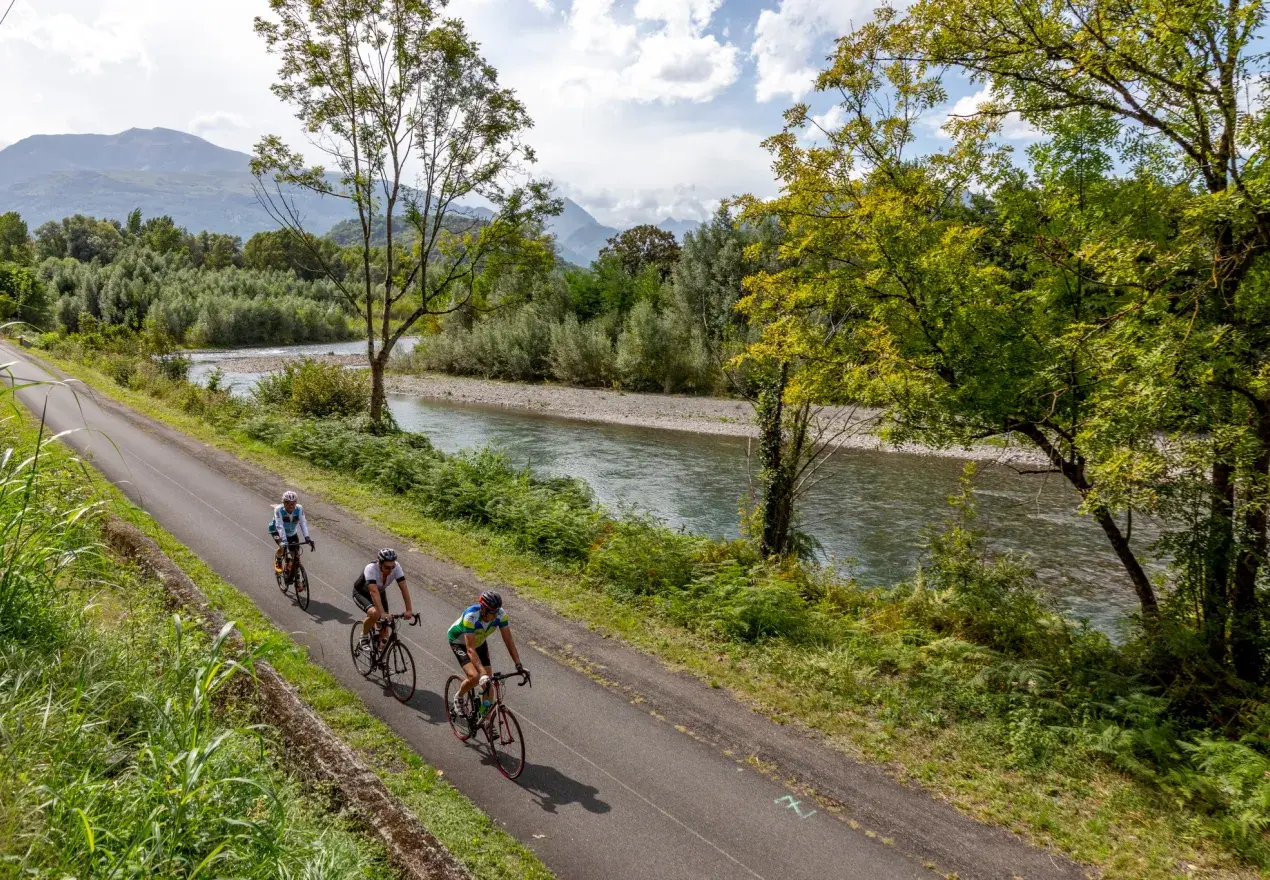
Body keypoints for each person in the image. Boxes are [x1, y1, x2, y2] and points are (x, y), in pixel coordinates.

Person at [447, 590, 526, 721]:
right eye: (492, 613)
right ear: (483, 609)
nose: (495, 616)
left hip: (479, 642)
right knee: (475, 677)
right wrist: (482, 673)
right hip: (459, 642)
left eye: (497, 612)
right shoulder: (471, 616)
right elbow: (470, 649)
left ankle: (484, 718)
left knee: (489, 685)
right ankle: (459, 696)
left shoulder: (501, 615)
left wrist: (518, 664)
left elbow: (509, 640)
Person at [353, 548, 417, 652]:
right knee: (375, 614)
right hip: (362, 593)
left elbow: (404, 587)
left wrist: (409, 610)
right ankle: (364, 637)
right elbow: (373, 592)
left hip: (380, 593)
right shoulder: (371, 568)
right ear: (379, 564)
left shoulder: (396, 567)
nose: (390, 570)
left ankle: (378, 657)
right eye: (387, 567)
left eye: (392, 567)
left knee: (385, 631)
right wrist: (382, 613)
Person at [269, 490, 313, 574]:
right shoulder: (278, 509)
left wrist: (307, 537)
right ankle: (278, 560)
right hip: (276, 530)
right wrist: (284, 540)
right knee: (283, 546)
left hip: (291, 532)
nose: (291, 505)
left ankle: (293, 570)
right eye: (288, 503)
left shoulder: (299, 508)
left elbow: (303, 522)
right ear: (284, 502)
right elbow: (279, 525)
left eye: (293, 502)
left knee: (296, 556)